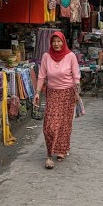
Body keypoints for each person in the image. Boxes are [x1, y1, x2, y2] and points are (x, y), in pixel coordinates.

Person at [33, 31, 81, 170]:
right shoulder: (46, 56)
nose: (56, 44)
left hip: (67, 94)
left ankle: (61, 150)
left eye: (59, 41)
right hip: (52, 93)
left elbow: (76, 76)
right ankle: (49, 152)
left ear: (63, 42)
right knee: (49, 125)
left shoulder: (71, 56)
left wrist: (77, 93)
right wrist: (37, 93)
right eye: (54, 41)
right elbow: (41, 76)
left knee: (64, 124)